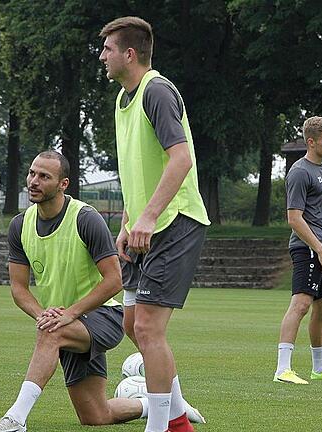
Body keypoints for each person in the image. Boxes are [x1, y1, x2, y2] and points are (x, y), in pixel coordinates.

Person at [99, 16, 211, 432]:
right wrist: (129, 220)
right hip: (144, 226)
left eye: (108, 49)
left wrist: (147, 216)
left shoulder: (157, 91)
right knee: (132, 325)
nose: (102, 56)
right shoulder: (122, 98)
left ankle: (163, 426)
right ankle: (179, 414)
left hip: (175, 221)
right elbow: (137, 169)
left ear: (129, 54)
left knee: (147, 327)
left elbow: (181, 159)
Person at [0, 151, 145, 432]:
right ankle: (157, 406)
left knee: (50, 332)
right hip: (63, 321)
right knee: (96, 415)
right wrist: (43, 314)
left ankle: (15, 419)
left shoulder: (86, 218)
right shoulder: (20, 225)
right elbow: (18, 288)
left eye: (44, 176)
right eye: (32, 173)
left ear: (63, 184)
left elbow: (114, 280)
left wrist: (67, 315)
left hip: (103, 316)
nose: (34, 181)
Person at [274, 116, 322, 385]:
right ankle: (283, 369)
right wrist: (320, 250)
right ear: (311, 142)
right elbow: (294, 218)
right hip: (307, 250)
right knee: (301, 304)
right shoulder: (299, 171)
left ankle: (319, 367)